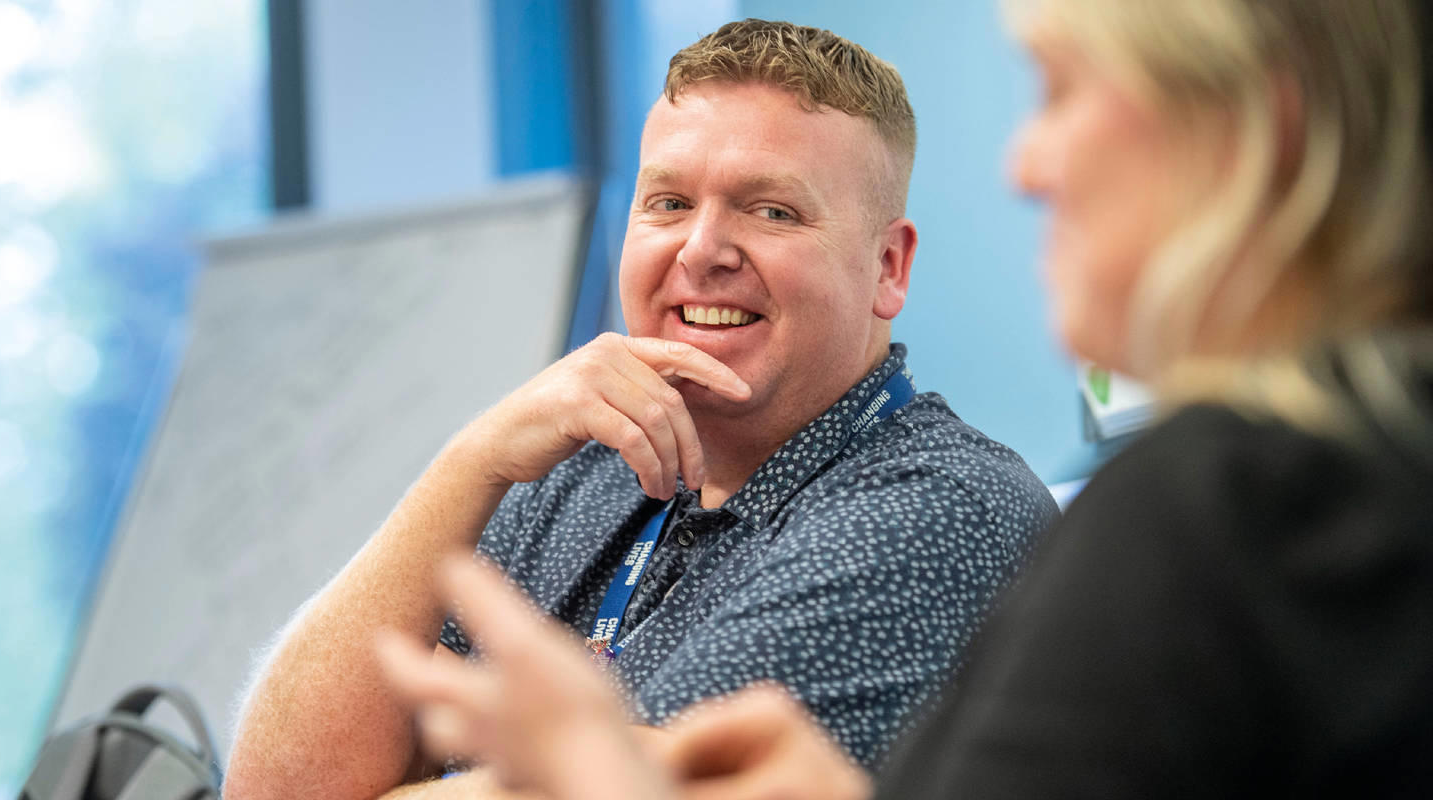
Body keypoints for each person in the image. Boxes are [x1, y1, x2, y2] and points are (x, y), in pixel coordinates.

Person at [376, 0, 1433, 797]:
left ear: (1251, 134)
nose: (1026, 166)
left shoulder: (1222, 501)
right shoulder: (1352, 469)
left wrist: (604, 781)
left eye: (1061, 94)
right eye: (666, 202)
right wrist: (470, 460)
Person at [224, 19, 1057, 800]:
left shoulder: (939, 508)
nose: (702, 250)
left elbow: (624, 789)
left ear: (887, 268)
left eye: (772, 210)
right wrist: (472, 461)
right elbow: (277, 785)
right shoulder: (573, 474)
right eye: (668, 204)